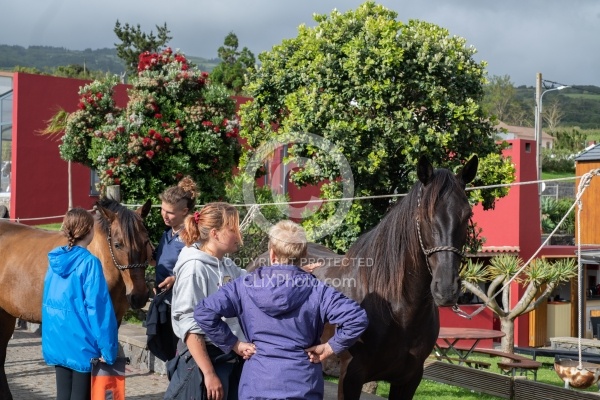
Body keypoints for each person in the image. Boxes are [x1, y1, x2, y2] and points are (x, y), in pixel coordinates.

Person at [194, 220, 368, 400]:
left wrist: (234, 344)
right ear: (305, 255)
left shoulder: (243, 286)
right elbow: (356, 318)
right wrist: (330, 347)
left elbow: (203, 312)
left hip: (257, 385)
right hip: (303, 386)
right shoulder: (318, 290)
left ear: (272, 254)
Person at [166, 202, 251, 400]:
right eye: (233, 229)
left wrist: (286, 272)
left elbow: (252, 283)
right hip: (204, 362)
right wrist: (209, 374)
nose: (239, 236)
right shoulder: (194, 268)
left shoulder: (226, 264)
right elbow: (190, 325)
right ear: (215, 233)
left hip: (226, 358)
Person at [41, 207, 118, 400]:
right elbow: (98, 308)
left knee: (63, 395)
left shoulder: (55, 259)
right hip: (83, 344)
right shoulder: (90, 263)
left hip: (58, 339)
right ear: (90, 231)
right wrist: (108, 350)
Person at [146, 176, 198, 363]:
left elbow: (197, 267)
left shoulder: (191, 235)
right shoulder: (167, 234)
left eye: (170, 212)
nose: (164, 215)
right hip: (165, 303)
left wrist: (175, 279)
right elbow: (160, 262)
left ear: (185, 211)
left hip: (183, 305)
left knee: (180, 356)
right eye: (162, 210)